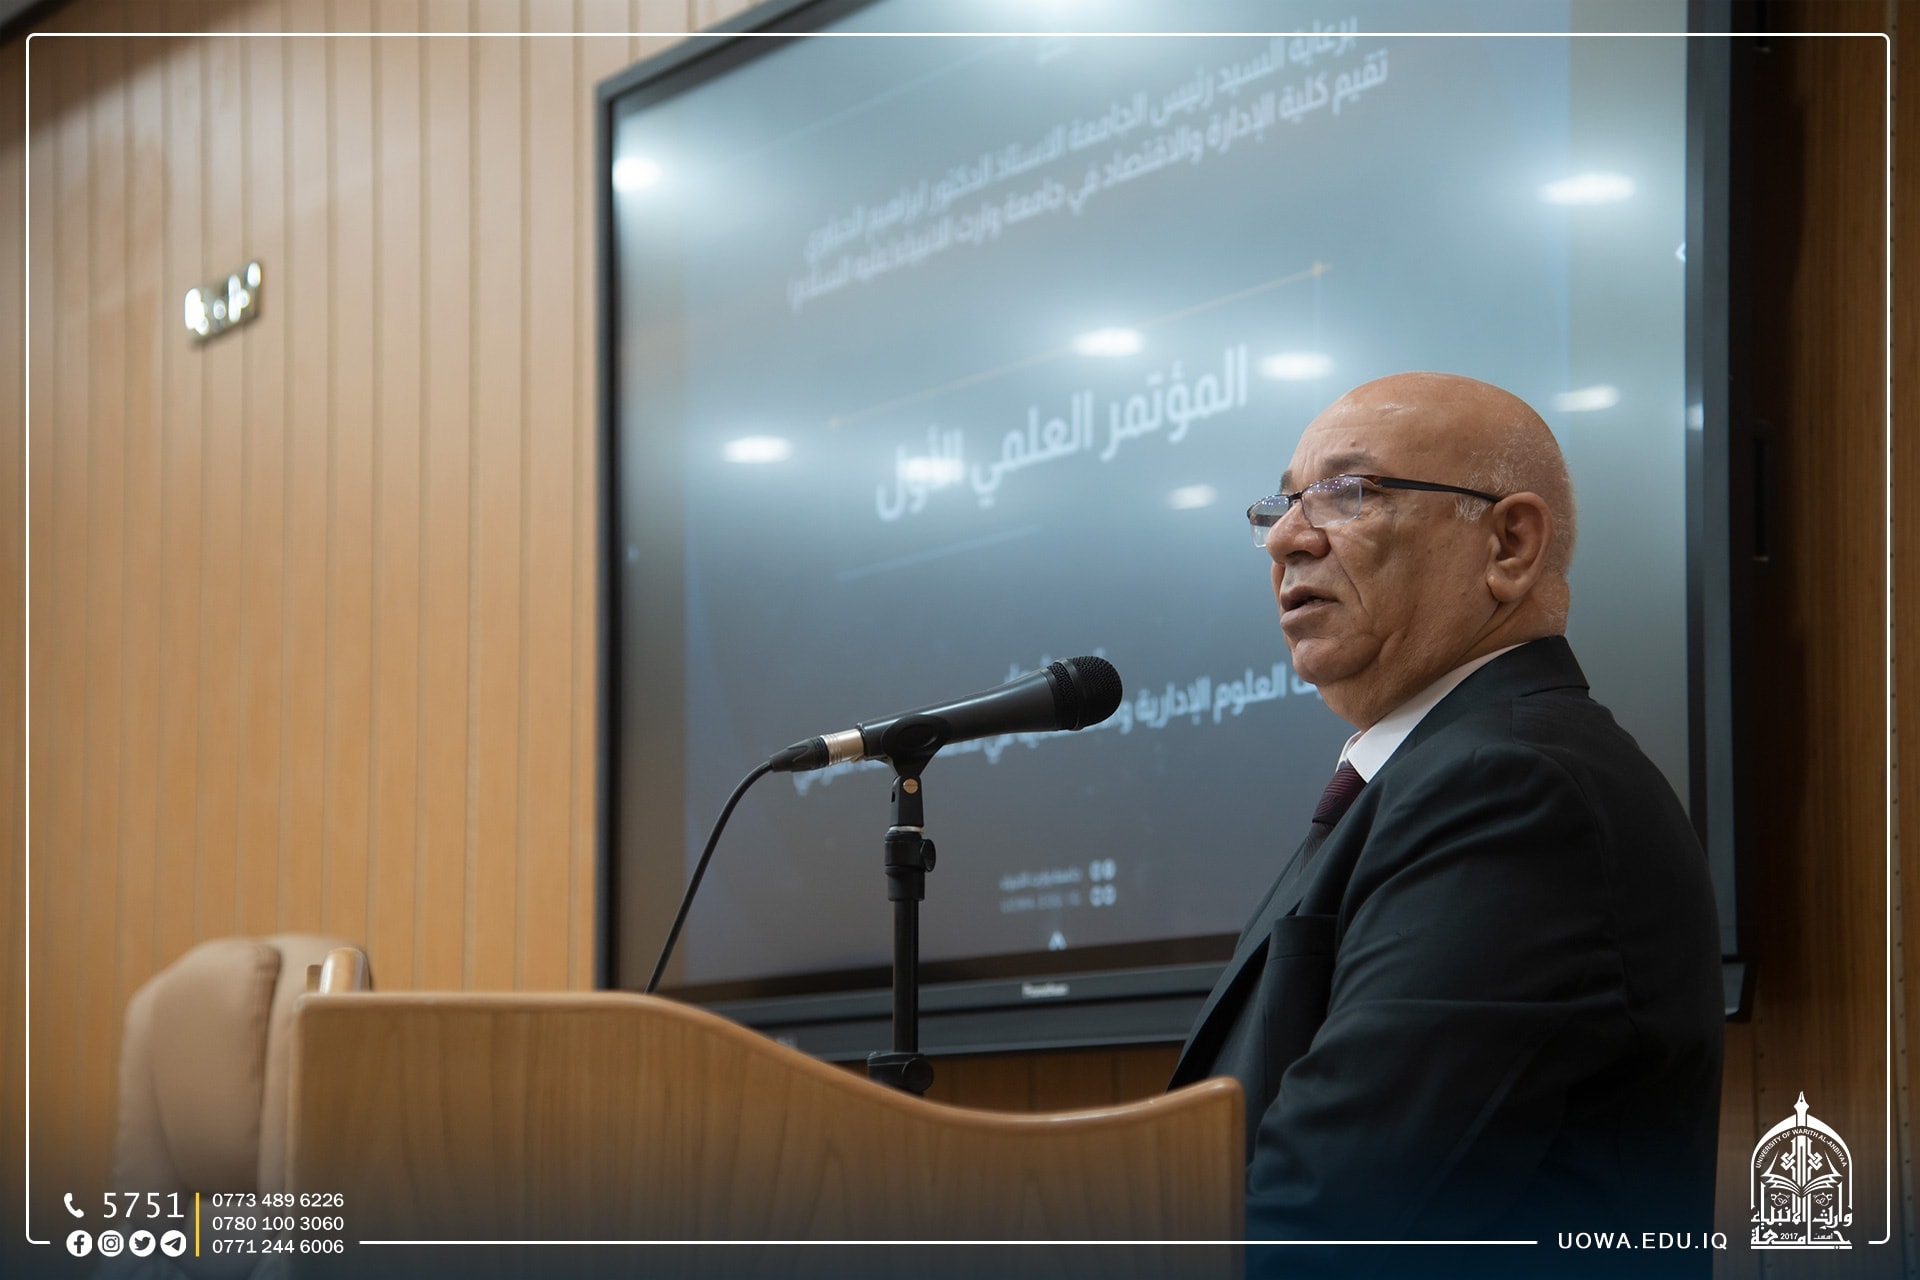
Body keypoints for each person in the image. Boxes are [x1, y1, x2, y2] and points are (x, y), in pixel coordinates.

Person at [1169, 372, 1723, 1271]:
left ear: (1509, 544)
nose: (1285, 538)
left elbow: (1333, 1218)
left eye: (1348, 493)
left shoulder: (1511, 790)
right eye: (1280, 504)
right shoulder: (1428, 776)